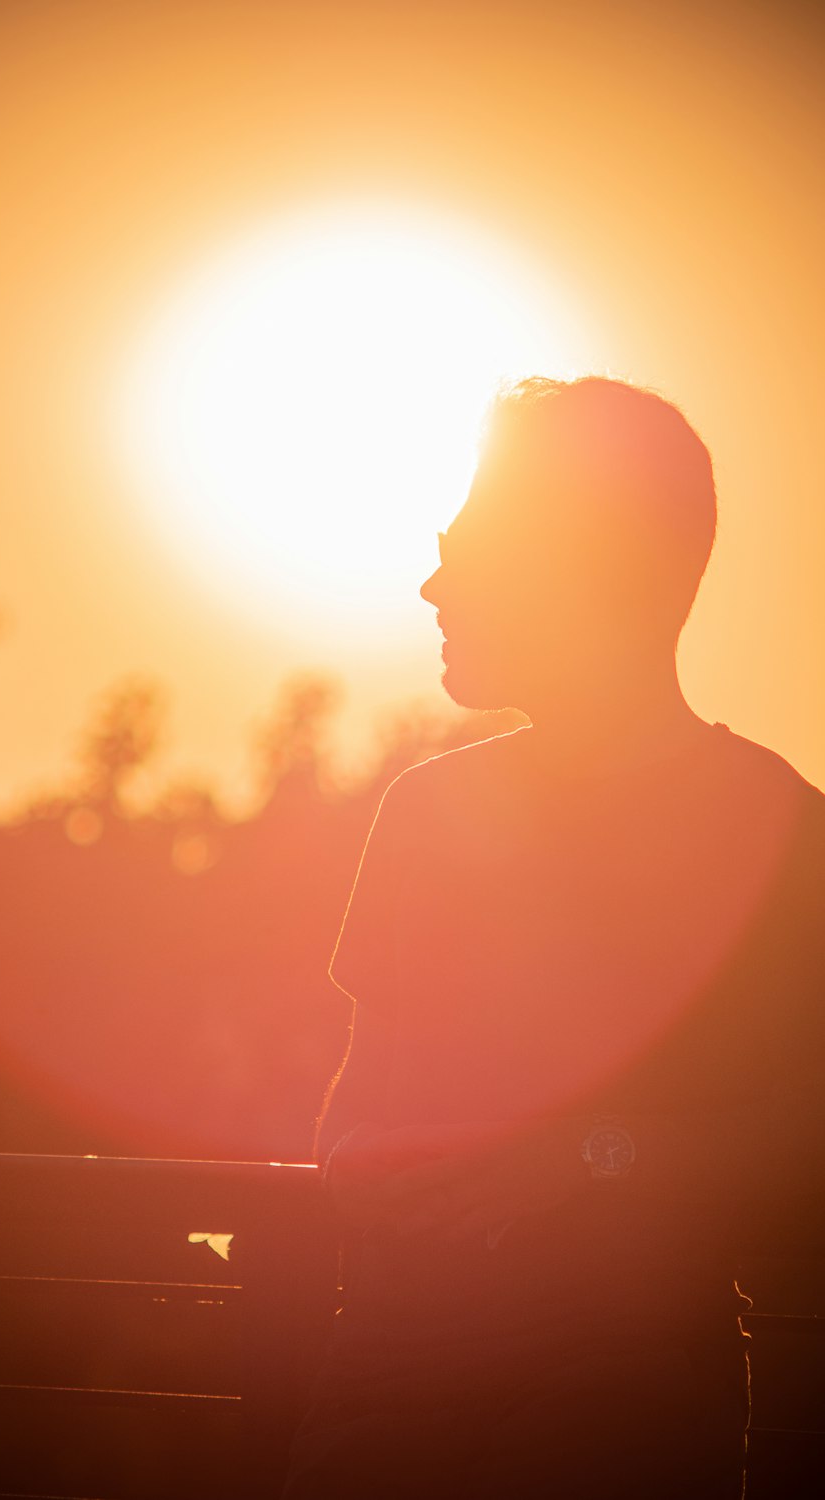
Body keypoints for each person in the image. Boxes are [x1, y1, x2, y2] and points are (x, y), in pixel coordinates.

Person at [279, 377, 824, 1499]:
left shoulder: (778, 835)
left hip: (616, 1417)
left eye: (466, 548)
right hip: (378, 1398)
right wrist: (360, 1160)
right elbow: (354, 1106)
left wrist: (584, 1157)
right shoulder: (423, 814)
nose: (432, 584)